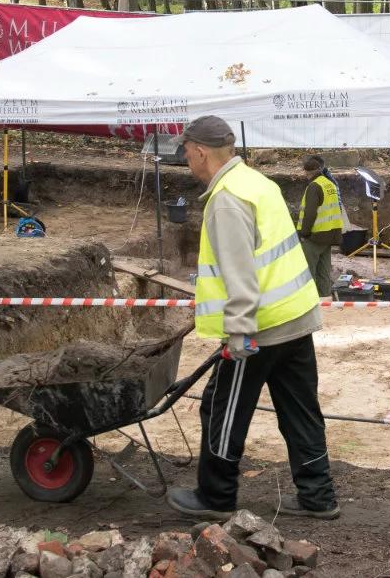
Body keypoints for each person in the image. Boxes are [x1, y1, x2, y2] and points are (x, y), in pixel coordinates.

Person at [165, 115, 340, 521]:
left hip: (259, 329)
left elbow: (240, 272)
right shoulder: (258, 183)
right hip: (295, 317)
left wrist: (240, 331)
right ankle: (319, 496)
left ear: (201, 151)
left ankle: (216, 496)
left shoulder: (227, 198)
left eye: (187, 150)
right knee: (300, 410)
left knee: (222, 408)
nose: (186, 157)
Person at [296, 155, 345, 298]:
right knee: (324, 271)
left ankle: (309, 298)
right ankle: (325, 297)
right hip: (330, 235)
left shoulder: (314, 186)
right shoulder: (330, 184)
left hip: (314, 236)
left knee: (308, 270)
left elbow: (310, 213)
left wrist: (304, 234)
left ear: (308, 172)